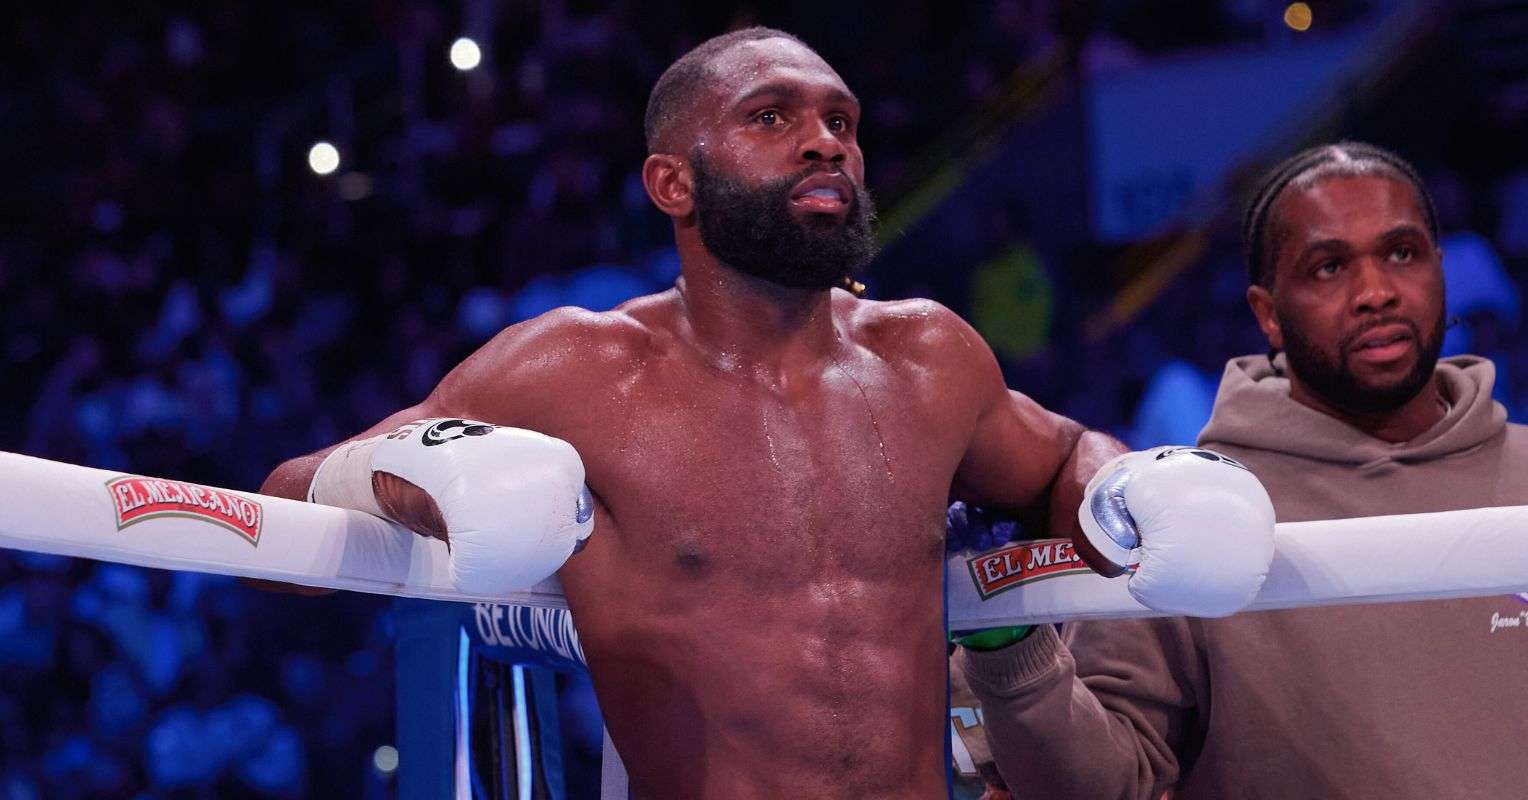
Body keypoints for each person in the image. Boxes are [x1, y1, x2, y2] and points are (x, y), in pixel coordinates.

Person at [260, 28, 1273, 798]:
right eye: (772, 118)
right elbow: (288, 503)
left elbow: (1060, 455)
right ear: (673, 183)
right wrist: (425, 471)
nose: (825, 143)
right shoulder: (576, 370)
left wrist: (1122, 483)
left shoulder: (927, 357)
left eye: (842, 122)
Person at [957, 142, 1528, 799]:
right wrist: (1014, 653)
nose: (1376, 293)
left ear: (1441, 271)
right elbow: (1103, 786)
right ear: (1267, 314)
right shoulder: (1187, 513)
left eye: (1402, 253)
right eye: (1329, 266)